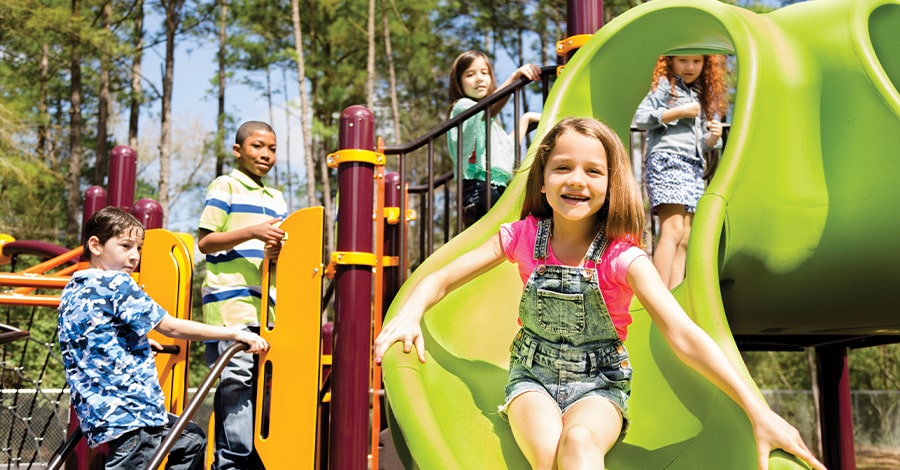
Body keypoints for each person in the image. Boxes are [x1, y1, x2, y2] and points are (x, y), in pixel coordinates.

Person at [374, 118, 824, 470]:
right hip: (532, 377)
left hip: (601, 385)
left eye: (594, 171)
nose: (577, 180)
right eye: (563, 168)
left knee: (582, 441)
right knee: (550, 454)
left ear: (611, 185)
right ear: (543, 179)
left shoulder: (623, 259)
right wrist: (412, 310)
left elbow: (684, 335)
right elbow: (440, 278)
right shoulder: (522, 236)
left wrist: (757, 410)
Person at [58, 207, 269, 470]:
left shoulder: (73, 289)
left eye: (138, 248)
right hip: (134, 413)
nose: (134, 256)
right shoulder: (116, 283)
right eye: (125, 246)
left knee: (190, 439)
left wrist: (137, 344)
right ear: (95, 245)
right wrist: (234, 332)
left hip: (100, 411)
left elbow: (89, 337)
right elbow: (171, 327)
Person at [198, 121, 287, 470]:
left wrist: (276, 251)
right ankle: (233, 461)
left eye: (272, 149)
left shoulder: (275, 198)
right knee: (237, 380)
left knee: (263, 384)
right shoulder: (226, 185)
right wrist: (250, 231)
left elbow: (277, 251)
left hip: (265, 306)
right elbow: (204, 241)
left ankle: (254, 456)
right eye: (257, 146)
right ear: (238, 151)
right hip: (229, 304)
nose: (265, 154)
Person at [633, 54, 728, 289]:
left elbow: (703, 145)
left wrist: (714, 137)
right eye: (683, 60)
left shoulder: (699, 94)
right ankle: (656, 296)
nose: (690, 67)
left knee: (686, 235)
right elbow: (641, 118)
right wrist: (679, 112)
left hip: (693, 165)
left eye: (697, 61)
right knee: (673, 228)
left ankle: (673, 296)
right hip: (668, 159)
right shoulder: (666, 85)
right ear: (670, 62)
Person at [447, 50, 542, 227]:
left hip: (494, 188)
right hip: (478, 190)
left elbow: (508, 146)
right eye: (470, 74)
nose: (479, 78)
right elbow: (489, 107)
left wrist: (526, 119)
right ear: (459, 82)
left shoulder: (488, 122)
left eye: (484, 73)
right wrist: (514, 78)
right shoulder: (463, 108)